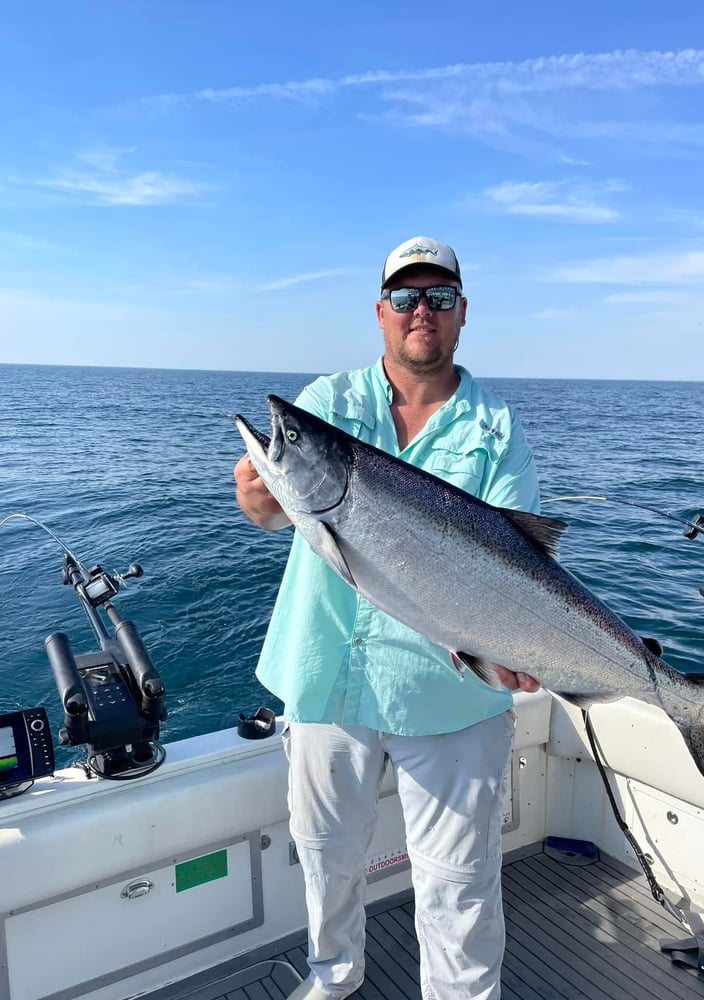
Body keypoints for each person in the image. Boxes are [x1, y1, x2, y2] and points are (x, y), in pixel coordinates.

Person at [234, 236, 541, 1000]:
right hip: (324, 675)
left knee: (460, 886)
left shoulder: (496, 428)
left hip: (451, 692)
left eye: (438, 297)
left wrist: (520, 645)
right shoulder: (328, 404)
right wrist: (256, 499)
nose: (421, 311)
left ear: (462, 313)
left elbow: (524, 564)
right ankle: (332, 983)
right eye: (406, 297)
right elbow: (275, 511)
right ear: (381, 313)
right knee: (326, 861)